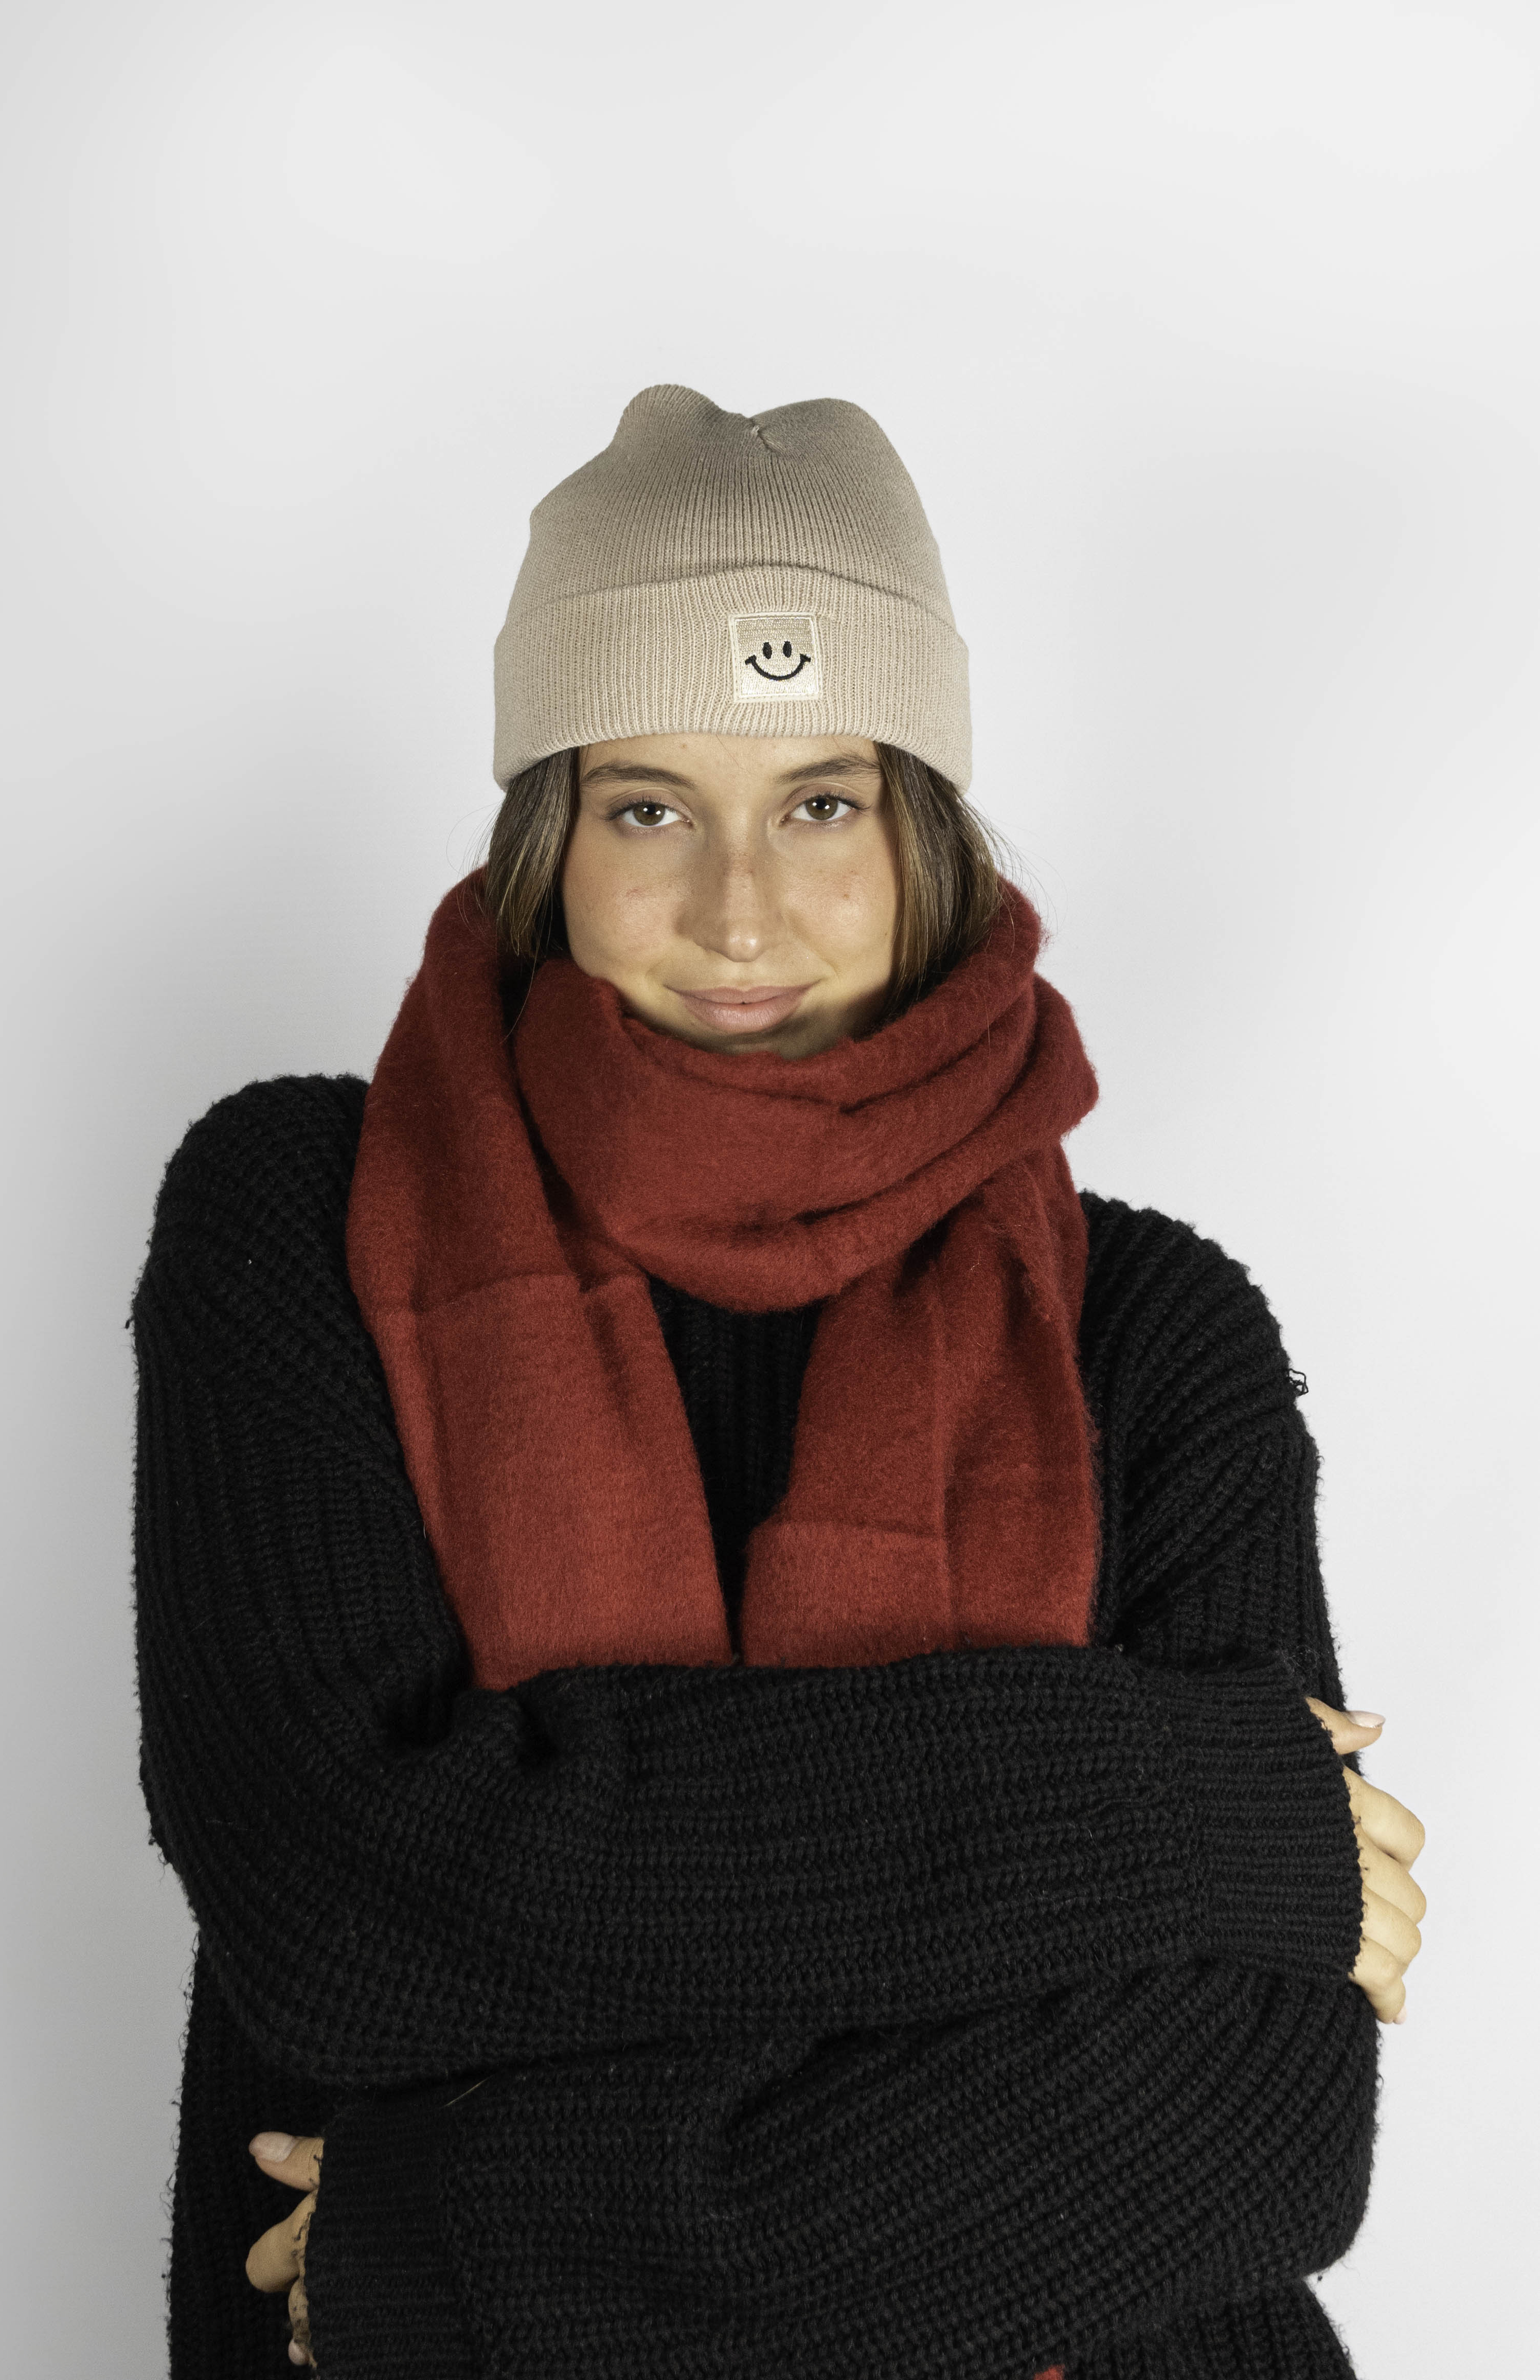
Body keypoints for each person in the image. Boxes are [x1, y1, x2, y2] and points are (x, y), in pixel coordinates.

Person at [132, 385, 1426, 2380]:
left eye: (822, 801)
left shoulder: (1151, 1328)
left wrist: (462, 2257)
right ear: (550, 836)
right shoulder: (307, 1218)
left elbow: (1255, 2120)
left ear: (924, 831)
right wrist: (1182, 1797)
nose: (739, 910)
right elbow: (353, 1908)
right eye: (650, 806)